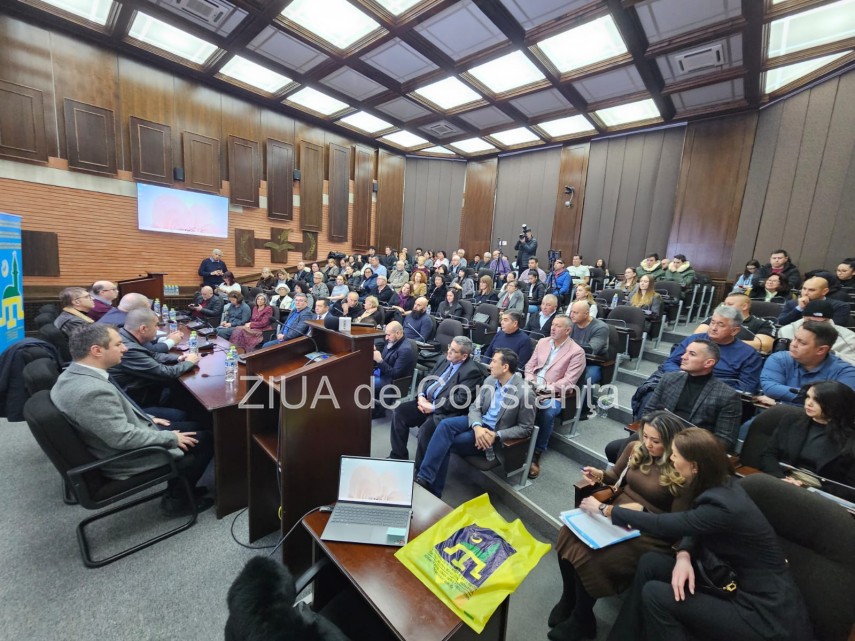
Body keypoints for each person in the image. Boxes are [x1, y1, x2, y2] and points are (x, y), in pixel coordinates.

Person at [599, 427, 812, 641]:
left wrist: (608, 510)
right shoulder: (719, 484)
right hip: (728, 578)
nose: (671, 459)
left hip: (760, 610)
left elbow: (664, 524)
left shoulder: (723, 505)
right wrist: (684, 554)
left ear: (694, 466)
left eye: (675, 455)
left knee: (655, 594)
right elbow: (697, 525)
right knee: (651, 563)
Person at [548, 412, 690, 641]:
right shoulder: (636, 448)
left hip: (647, 530)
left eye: (656, 441)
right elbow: (615, 476)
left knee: (593, 557)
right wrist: (599, 474)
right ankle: (569, 598)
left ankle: (582, 618)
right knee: (567, 533)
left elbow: (676, 522)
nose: (648, 444)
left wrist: (639, 511)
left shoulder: (678, 469)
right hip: (613, 513)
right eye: (646, 436)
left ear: (671, 442)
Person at [51, 324, 213, 516]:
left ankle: (183, 487)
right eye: (118, 344)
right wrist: (171, 438)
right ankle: (179, 500)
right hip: (124, 456)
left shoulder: (74, 373)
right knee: (207, 439)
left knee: (194, 425)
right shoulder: (91, 391)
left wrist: (147, 417)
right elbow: (122, 438)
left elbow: (111, 417)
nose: (125, 348)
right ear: (96, 350)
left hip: (120, 435)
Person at [415, 348, 536, 497]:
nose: (489, 364)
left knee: (446, 442)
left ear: (505, 367)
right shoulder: (490, 380)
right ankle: (424, 478)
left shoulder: (524, 392)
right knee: (444, 425)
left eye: (493, 361)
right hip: (478, 423)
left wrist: (497, 435)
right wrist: (477, 426)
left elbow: (526, 428)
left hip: (491, 435)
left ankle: (432, 488)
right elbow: (475, 406)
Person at [608, 339, 742, 463]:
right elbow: (649, 412)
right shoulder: (669, 379)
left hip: (689, 448)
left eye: (692, 354)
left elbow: (725, 441)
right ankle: (619, 482)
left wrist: (682, 444)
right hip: (657, 436)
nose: (683, 357)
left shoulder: (728, 396)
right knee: (613, 448)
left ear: (709, 363)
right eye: (685, 352)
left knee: (630, 451)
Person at [389, 336, 483, 463]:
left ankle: (420, 472)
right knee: (399, 412)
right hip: (426, 402)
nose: (449, 351)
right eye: (450, 346)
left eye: (454, 350)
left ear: (464, 356)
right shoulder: (443, 359)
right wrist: (421, 396)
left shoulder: (471, 372)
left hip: (444, 412)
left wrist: (432, 407)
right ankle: (398, 457)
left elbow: (460, 401)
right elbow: (427, 379)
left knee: (425, 432)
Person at [758, 381, 855, 500]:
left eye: (817, 400)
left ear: (836, 405)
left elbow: (850, 487)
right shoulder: (791, 420)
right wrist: (780, 478)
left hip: (821, 496)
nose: (809, 403)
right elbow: (768, 454)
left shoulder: (851, 438)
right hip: (781, 481)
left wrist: (806, 489)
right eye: (808, 397)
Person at [524, 315, 586, 479]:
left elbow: (569, 381)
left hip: (555, 393)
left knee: (548, 411)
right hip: (532, 386)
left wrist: (546, 388)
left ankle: (537, 452)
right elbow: (530, 365)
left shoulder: (577, 352)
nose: (552, 328)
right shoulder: (543, 342)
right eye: (552, 324)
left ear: (568, 330)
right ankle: (514, 442)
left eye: (558, 326)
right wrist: (530, 380)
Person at [109, 308, 200, 413]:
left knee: (178, 389)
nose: (157, 328)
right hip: (136, 402)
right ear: (143, 329)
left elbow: (154, 355)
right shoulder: (129, 348)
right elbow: (166, 373)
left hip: (142, 389)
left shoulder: (126, 335)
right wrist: (189, 362)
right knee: (182, 408)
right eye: (156, 325)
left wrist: (179, 358)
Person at [659, 305, 762, 393]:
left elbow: (746, 388)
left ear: (734, 331)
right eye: (712, 322)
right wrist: (681, 375)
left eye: (720, 325)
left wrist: (706, 385)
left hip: (717, 394)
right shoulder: (694, 339)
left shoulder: (749, 354)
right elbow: (669, 363)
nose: (713, 328)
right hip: (680, 383)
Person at [755, 321, 855, 406]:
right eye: (794, 338)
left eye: (802, 343)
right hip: (774, 417)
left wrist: (781, 403)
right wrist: (817, 399)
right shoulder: (779, 358)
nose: (793, 344)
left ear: (821, 350)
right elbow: (771, 388)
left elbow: (837, 403)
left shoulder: (846, 372)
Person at [777, 299, 855, 365]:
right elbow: (778, 360)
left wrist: (831, 354)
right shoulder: (786, 331)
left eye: (821, 322)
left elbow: (853, 363)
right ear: (803, 317)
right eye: (810, 321)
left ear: (829, 320)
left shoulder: (848, 337)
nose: (814, 325)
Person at [694, 293, 774, 353]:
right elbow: (696, 337)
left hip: (740, 356)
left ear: (744, 306)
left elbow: (764, 346)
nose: (725, 307)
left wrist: (727, 342)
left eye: (730, 304)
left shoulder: (762, 323)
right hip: (709, 352)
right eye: (724, 304)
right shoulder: (714, 318)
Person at [372, 321, 416, 417]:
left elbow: (395, 374)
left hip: (393, 382)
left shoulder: (405, 350)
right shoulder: (392, 341)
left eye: (388, 335)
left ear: (398, 333)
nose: (386, 338)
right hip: (382, 374)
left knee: (365, 382)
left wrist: (379, 361)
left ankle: (377, 411)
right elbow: (385, 359)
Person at [777, 276, 851, 327]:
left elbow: (836, 327)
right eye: (804, 288)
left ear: (824, 291)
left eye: (811, 290)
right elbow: (781, 322)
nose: (805, 293)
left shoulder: (840, 306)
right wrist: (799, 309)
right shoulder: (793, 304)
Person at [568, 301, 609, 384]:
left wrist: (567, 344)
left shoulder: (600, 328)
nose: (571, 315)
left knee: (584, 378)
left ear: (586, 314)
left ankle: (585, 397)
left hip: (591, 362)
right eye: (571, 311)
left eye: (575, 312)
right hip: (571, 358)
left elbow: (591, 350)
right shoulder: (570, 323)